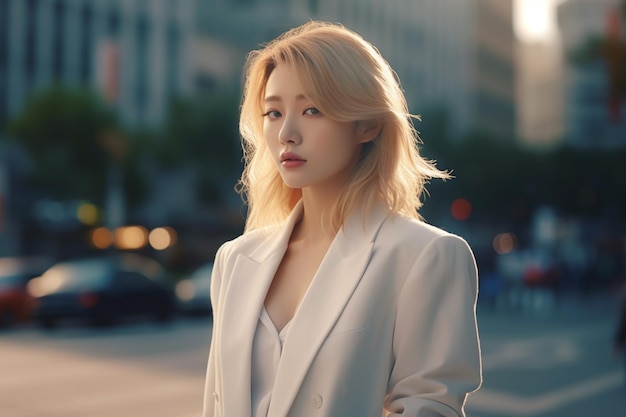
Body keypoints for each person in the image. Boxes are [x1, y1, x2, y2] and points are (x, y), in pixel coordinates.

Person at [202, 20, 482, 417]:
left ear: (367, 124)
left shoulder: (426, 256)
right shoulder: (235, 259)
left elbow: (430, 407)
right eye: (273, 112)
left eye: (312, 109)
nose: (287, 133)